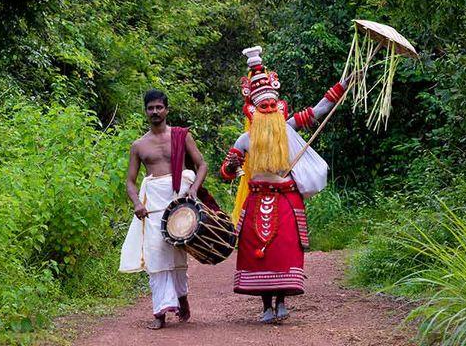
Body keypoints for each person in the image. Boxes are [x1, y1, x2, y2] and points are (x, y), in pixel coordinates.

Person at [220, 46, 347, 323]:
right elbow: (227, 172)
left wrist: (344, 83)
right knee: (258, 254)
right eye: (261, 106)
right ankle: (266, 306)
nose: (267, 110)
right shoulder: (246, 139)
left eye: (270, 106)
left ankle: (281, 303)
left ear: (277, 107)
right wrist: (231, 167)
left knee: (284, 249)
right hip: (256, 200)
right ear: (253, 109)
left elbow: (319, 110)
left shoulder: (288, 128)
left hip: (286, 199)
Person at [119, 89, 208, 330]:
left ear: (166, 110)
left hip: (179, 200)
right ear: (145, 111)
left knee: (178, 252)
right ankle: (159, 312)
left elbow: (201, 165)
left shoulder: (181, 136)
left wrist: (194, 190)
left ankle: (181, 298)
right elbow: (129, 181)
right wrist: (137, 203)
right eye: (151, 108)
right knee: (155, 253)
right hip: (153, 204)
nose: (155, 112)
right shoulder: (139, 145)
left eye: (159, 107)